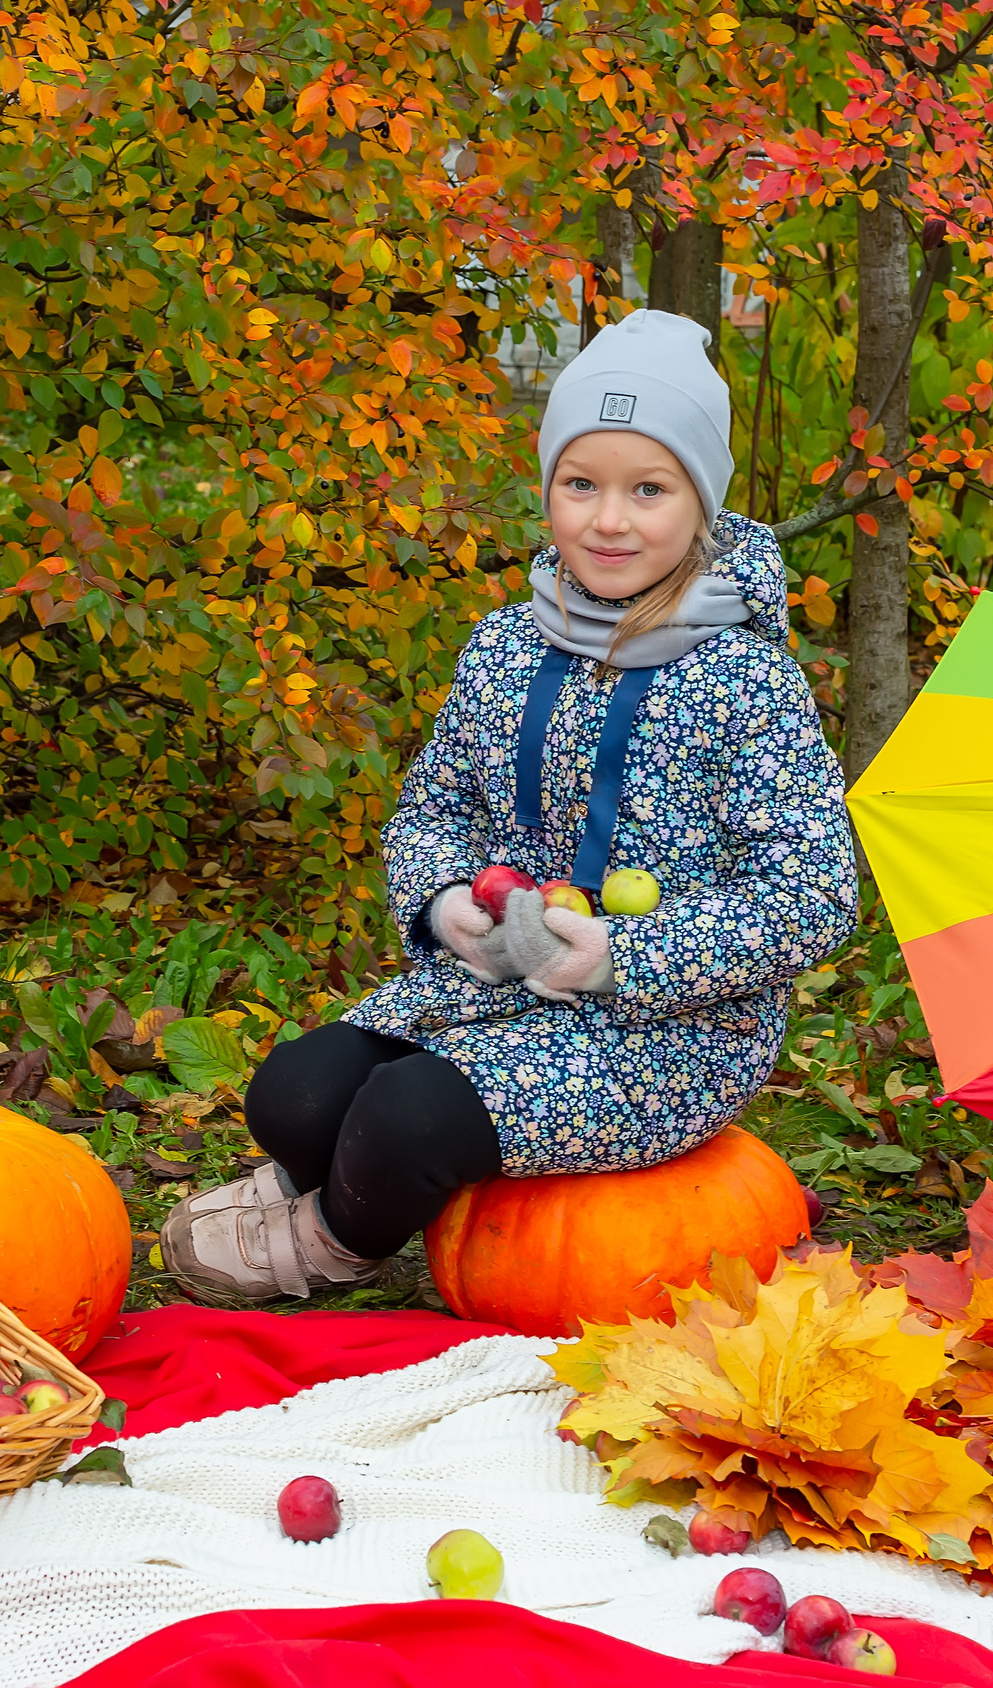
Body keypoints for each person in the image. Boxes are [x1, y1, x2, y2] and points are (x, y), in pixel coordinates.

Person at [162, 308, 858, 1303]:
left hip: (666, 1029)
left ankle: (332, 1239)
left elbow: (811, 897)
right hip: (491, 981)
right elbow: (432, 812)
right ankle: (352, 1166)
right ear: (547, 492)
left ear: (700, 506)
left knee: (405, 1116)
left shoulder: (748, 680)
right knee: (293, 1092)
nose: (608, 521)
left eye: (648, 490)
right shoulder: (505, 646)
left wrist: (622, 954)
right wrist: (447, 903)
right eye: (581, 484)